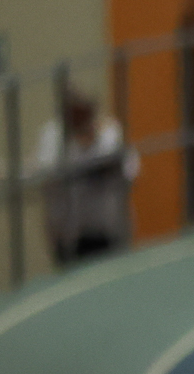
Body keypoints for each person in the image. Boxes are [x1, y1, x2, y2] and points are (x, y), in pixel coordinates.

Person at [28, 83, 138, 266]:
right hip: (68, 232)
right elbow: (46, 174)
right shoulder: (52, 136)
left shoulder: (109, 133)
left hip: (106, 228)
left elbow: (130, 170)